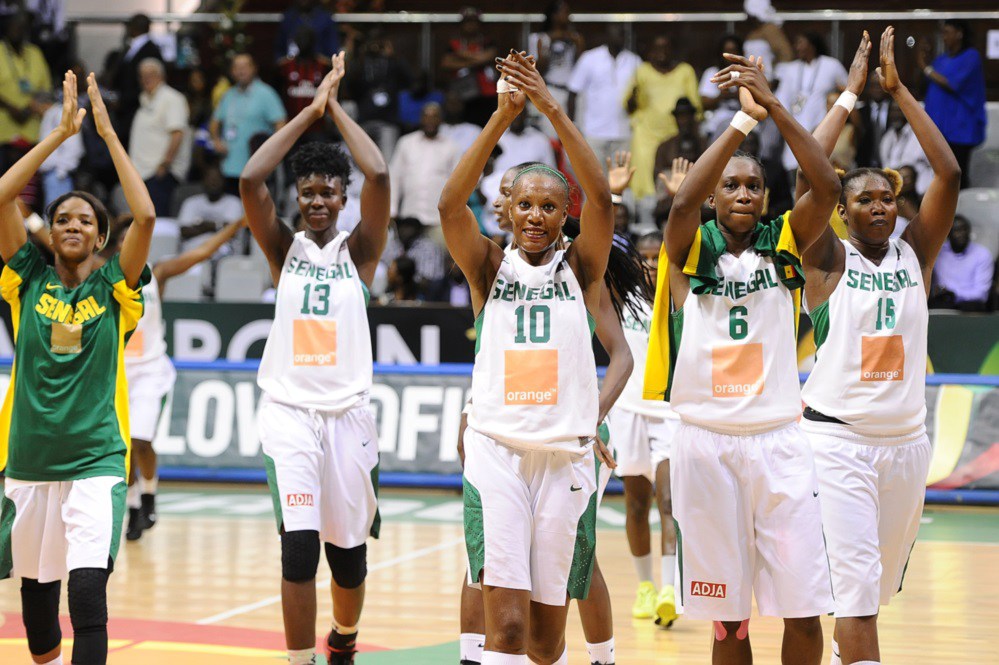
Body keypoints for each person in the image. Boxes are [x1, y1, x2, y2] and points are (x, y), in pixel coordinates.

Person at [647, 53, 840, 664]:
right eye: (729, 185)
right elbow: (680, 209)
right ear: (712, 197)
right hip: (706, 442)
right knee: (728, 624)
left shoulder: (784, 240)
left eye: (753, 185)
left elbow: (828, 187)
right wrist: (740, 122)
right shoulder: (690, 249)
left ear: (765, 196)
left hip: (779, 441)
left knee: (803, 608)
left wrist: (773, 106)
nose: (742, 194)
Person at [440, 49, 615, 664]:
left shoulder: (583, 267)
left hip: (564, 456)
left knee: (546, 641)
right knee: (507, 631)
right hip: (499, 453)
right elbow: (447, 205)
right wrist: (502, 119)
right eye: (524, 205)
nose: (535, 215)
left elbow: (600, 194)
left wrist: (549, 107)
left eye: (548, 205)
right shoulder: (488, 265)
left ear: (563, 214)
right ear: (508, 211)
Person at [799, 26, 962, 665]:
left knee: (872, 590)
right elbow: (809, 173)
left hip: (905, 445)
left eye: (887, 198)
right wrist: (848, 96)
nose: (878, 207)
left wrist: (900, 92)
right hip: (838, 441)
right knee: (858, 596)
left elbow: (947, 171)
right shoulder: (825, 258)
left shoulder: (915, 251)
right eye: (863, 198)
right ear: (840, 210)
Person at [0, 69, 156, 665]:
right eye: (62, 218)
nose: (71, 225)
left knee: (87, 592)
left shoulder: (118, 290)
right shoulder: (25, 280)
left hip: (95, 458)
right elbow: (2, 196)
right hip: (30, 460)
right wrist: (60, 135)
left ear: (99, 237)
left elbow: (143, 217)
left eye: (85, 221)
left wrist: (108, 136)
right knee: (37, 614)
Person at [240, 52, 390, 665]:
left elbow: (379, 174)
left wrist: (336, 106)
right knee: (298, 549)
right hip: (290, 413)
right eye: (308, 192)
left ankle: (344, 641)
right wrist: (307, 114)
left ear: (343, 195)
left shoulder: (361, 251)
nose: (317, 200)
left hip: (349, 416)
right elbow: (251, 181)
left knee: (347, 558)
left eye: (328, 190)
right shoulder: (284, 248)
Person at [106, 216, 247, 541]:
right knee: (122, 448)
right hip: (118, 372)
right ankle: (133, 509)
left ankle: (150, 495)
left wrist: (233, 226)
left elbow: (202, 253)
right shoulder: (106, 275)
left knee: (141, 440)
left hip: (151, 371)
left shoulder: (157, 273)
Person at [624, 35, 701, 210]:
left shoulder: (685, 71)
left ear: (673, 50)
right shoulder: (642, 70)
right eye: (657, 48)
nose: (662, 52)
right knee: (644, 178)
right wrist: (633, 97)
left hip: (676, 134)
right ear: (650, 51)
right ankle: (647, 209)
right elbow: (629, 106)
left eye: (666, 47)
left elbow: (695, 108)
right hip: (646, 134)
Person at [919, 19, 986, 189]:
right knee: (938, 174)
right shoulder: (940, 60)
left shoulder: (971, 56)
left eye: (947, 32)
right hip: (939, 128)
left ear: (959, 34)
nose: (944, 37)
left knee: (957, 173)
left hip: (960, 129)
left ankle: (959, 213)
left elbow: (952, 84)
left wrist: (925, 66)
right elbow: (927, 83)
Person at [210, 53, 287, 193]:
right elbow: (215, 122)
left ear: (254, 68)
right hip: (229, 166)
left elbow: (281, 124)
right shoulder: (228, 95)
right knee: (232, 211)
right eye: (236, 67)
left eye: (245, 66)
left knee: (253, 213)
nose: (241, 70)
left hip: (257, 169)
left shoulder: (266, 93)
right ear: (231, 71)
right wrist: (216, 140)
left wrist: (273, 152)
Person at [774, 32, 847, 179]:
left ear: (812, 45)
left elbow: (849, 90)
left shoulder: (831, 65)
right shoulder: (791, 69)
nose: (797, 47)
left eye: (801, 43)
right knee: (793, 169)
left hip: (821, 124)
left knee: (819, 166)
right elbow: (781, 99)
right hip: (795, 124)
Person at [567, 25, 641, 168]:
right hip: (593, 133)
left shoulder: (634, 61)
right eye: (616, 33)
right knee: (594, 182)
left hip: (624, 133)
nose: (620, 37)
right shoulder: (590, 58)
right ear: (606, 36)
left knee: (620, 184)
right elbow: (573, 92)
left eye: (623, 35)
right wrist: (573, 126)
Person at [128, 58, 191, 216]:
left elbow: (177, 133)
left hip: (160, 174)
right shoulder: (144, 100)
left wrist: (165, 165)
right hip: (143, 173)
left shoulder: (172, 98)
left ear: (162, 76)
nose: (146, 78)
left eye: (151, 74)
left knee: (158, 221)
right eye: (142, 75)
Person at [389, 102, 459, 242]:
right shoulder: (406, 143)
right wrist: (392, 210)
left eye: (434, 117)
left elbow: (458, 184)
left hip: (437, 219)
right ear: (421, 119)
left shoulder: (452, 147)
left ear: (441, 120)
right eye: (426, 116)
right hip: (409, 217)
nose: (430, 121)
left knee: (438, 260)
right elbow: (394, 178)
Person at [344, 30, 410, 161]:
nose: (374, 45)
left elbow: (409, 80)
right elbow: (348, 82)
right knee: (360, 163)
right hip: (364, 120)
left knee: (388, 163)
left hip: (387, 122)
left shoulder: (392, 62)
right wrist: (358, 54)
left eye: (378, 42)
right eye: (371, 42)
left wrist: (393, 55)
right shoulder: (361, 63)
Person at [0, 12, 53, 169]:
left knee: (28, 186)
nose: (18, 29)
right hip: (4, 133)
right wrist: (12, 109)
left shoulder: (35, 53)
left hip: (32, 132)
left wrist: (29, 108)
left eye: (21, 26)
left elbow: (46, 88)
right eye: (14, 26)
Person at [526, 1, 583, 136]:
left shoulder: (574, 37)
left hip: (571, 92)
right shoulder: (539, 38)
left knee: (573, 133)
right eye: (564, 12)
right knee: (551, 133)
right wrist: (548, 44)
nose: (568, 16)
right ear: (554, 15)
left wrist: (578, 44)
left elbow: (581, 66)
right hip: (551, 89)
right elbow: (537, 70)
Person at [107, 14, 163, 150]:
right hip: (125, 111)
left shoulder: (151, 50)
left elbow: (147, 84)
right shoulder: (129, 48)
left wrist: (124, 101)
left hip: (137, 108)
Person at [440, 7, 499, 127]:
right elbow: (446, 63)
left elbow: (488, 57)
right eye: (467, 22)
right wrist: (476, 60)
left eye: (473, 22)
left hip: (486, 95)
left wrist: (460, 55)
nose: (470, 25)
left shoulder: (487, 42)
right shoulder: (454, 44)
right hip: (463, 94)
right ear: (461, 24)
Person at [177, 162, 245, 252]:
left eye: (217, 179)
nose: (213, 182)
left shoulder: (234, 202)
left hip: (223, 250)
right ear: (203, 182)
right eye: (210, 179)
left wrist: (204, 226)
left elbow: (232, 231)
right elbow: (184, 231)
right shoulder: (191, 202)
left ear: (224, 181)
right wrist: (218, 226)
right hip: (193, 251)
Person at [931, 215, 993, 312]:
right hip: (942, 302)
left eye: (965, 229)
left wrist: (955, 294)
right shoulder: (937, 253)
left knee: (973, 306)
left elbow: (981, 295)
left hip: (971, 305)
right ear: (948, 234)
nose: (962, 234)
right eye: (957, 230)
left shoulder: (982, 254)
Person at [278, 26, 332, 136]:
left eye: (307, 38)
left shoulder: (324, 66)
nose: (304, 42)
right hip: (291, 126)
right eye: (300, 38)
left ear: (314, 41)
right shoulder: (284, 67)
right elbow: (278, 94)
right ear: (295, 41)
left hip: (318, 128)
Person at [700, 35, 746, 143]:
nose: (730, 56)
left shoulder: (746, 74)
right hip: (716, 125)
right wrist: (721, 96)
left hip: (742, 123)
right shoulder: (712, 73)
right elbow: (704, 102)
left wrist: (738, 94)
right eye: (727, 51)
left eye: (733, 51)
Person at [879, 102, 931, 195]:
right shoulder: (887, 137)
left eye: (899, 110)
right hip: (894, 191)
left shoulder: (919, 134)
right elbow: (885, 166)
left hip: (920, 192)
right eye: (892, 111)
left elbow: (911, 166)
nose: (895, 114)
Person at [275, 0, 340, 61]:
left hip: (319, 68)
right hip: (291, 67)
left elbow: (333, 54)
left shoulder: (325, 18)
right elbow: (278, 54)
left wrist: (319, 60)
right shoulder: (288, 18)